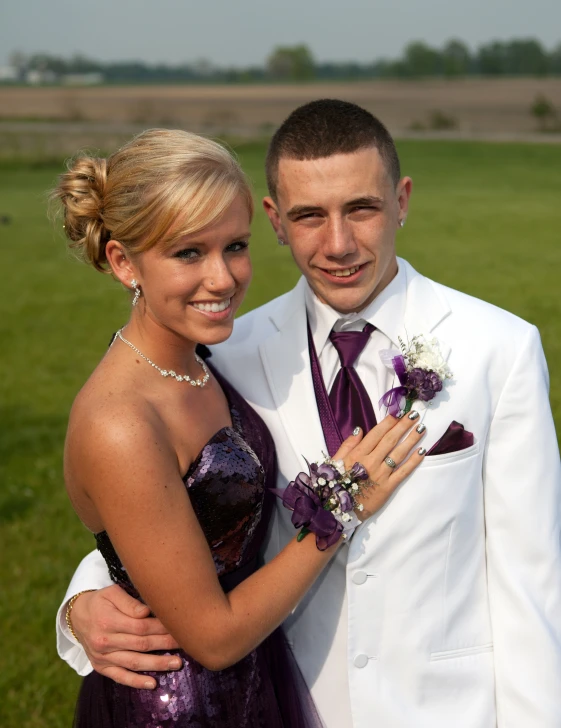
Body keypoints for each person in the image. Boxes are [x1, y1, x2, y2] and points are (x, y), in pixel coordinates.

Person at [57, 102, 561, 728]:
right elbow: (165, 509)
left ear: (401, 200)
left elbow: (534, 580)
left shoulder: (500, 349)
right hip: (282, 699)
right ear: (275, 220)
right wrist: (82, 603)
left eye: (362, 209)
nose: (339, 244)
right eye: (309, 216)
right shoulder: (226, 352)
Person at [51, 127, 426, 727]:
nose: (224, 279)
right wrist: (346, 502)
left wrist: (80, 602)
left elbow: (175, 530)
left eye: (235, 246)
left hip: (259, 682)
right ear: (124, 262)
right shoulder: (119, 421)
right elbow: (214, 636)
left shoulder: (206, 362)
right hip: (178, 705)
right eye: (188, 253)